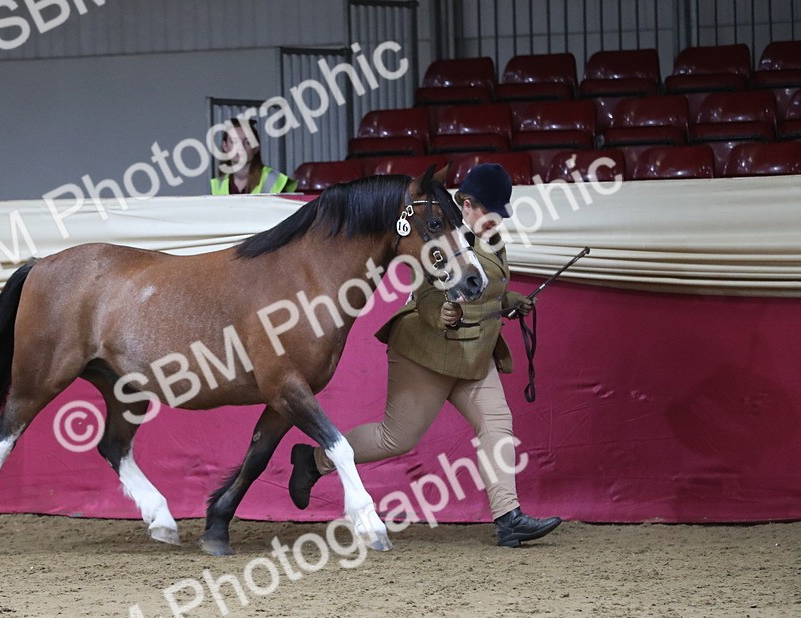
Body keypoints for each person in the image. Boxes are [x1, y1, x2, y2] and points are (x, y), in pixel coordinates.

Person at [287, 163, 562, 547]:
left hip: (473, 355)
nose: (497, 219)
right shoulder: (440, 233)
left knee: (497, 424)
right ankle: (314, 460)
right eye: (491, 211)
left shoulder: (492, 241)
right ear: (466, 205)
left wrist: (511, 303)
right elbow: (427, 294)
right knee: (394, 439)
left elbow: (490, 290)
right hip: (428, 351)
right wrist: (442, 314)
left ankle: (508, 517)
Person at [210, 118, 297, 195]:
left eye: (247, 142)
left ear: (256, 147)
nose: (241, 147)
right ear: (225, 146)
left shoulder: (274, 180)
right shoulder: (218, 185)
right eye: (234, 141)